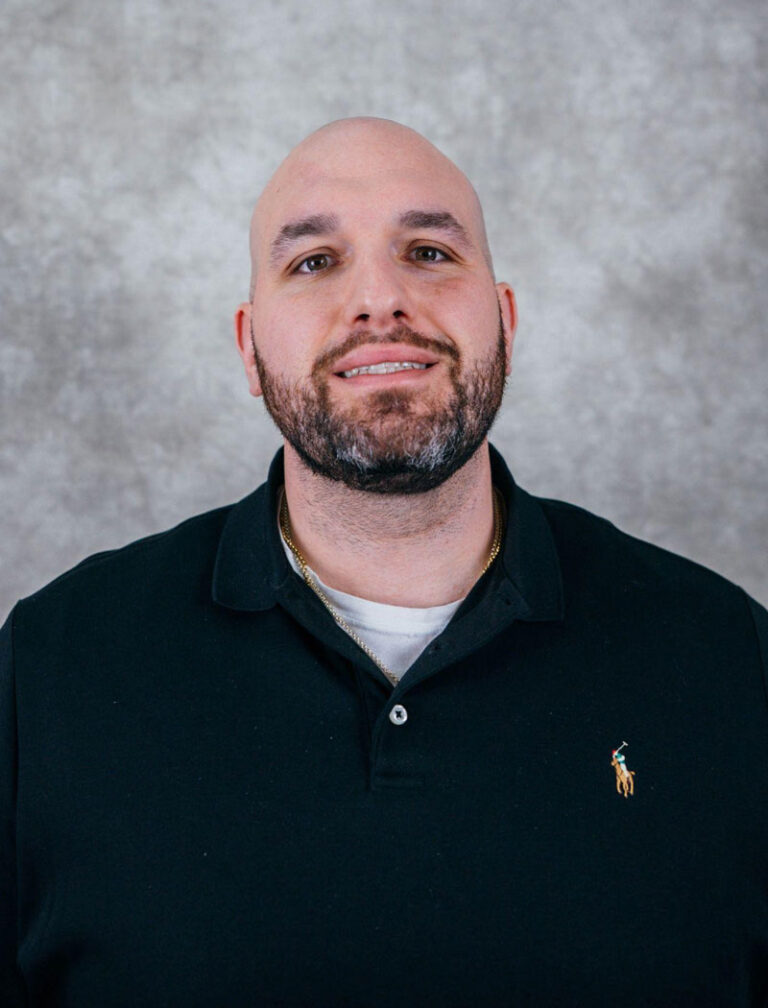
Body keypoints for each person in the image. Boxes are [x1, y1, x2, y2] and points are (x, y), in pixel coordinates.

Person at [1, 117, 766, 1007]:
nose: (379, 299)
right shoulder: (52, 668)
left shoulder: (728, 660)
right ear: (249, 348)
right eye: (315, 262)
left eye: (431, 252)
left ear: (506, 322)